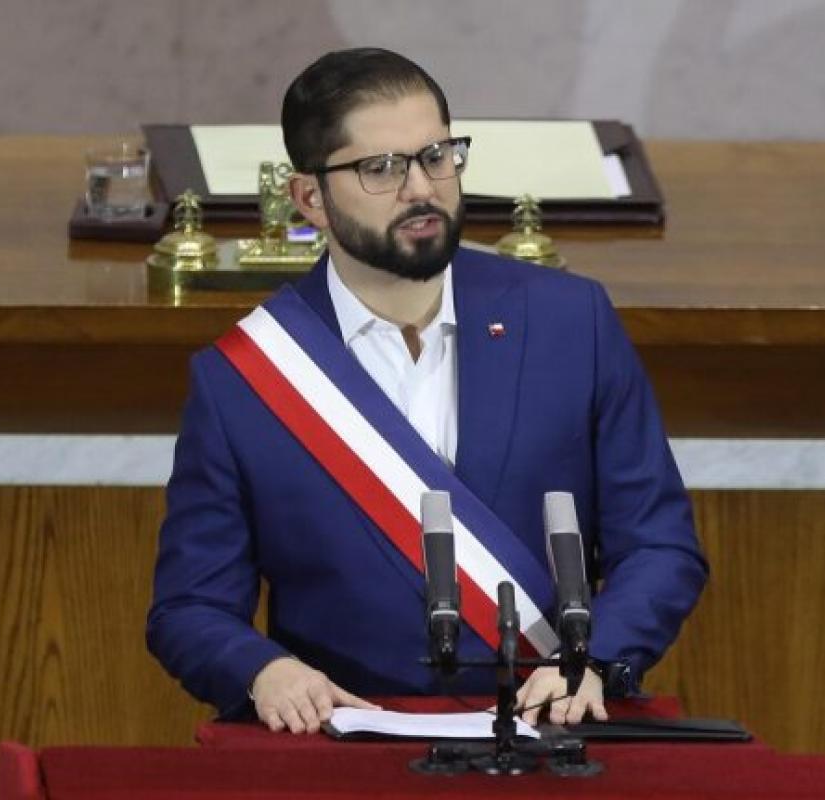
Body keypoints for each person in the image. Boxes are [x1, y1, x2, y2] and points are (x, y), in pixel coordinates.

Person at [147, 47, 707, 735]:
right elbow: (190, 607)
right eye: (381, 168)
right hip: (348, 741)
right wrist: (265, 670)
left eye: (437, 156)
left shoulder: (571, 322)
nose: (422, 188)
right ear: (310, 199)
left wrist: (592, 659)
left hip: (545, 735)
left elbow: (660, 546)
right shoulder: (244, 377)